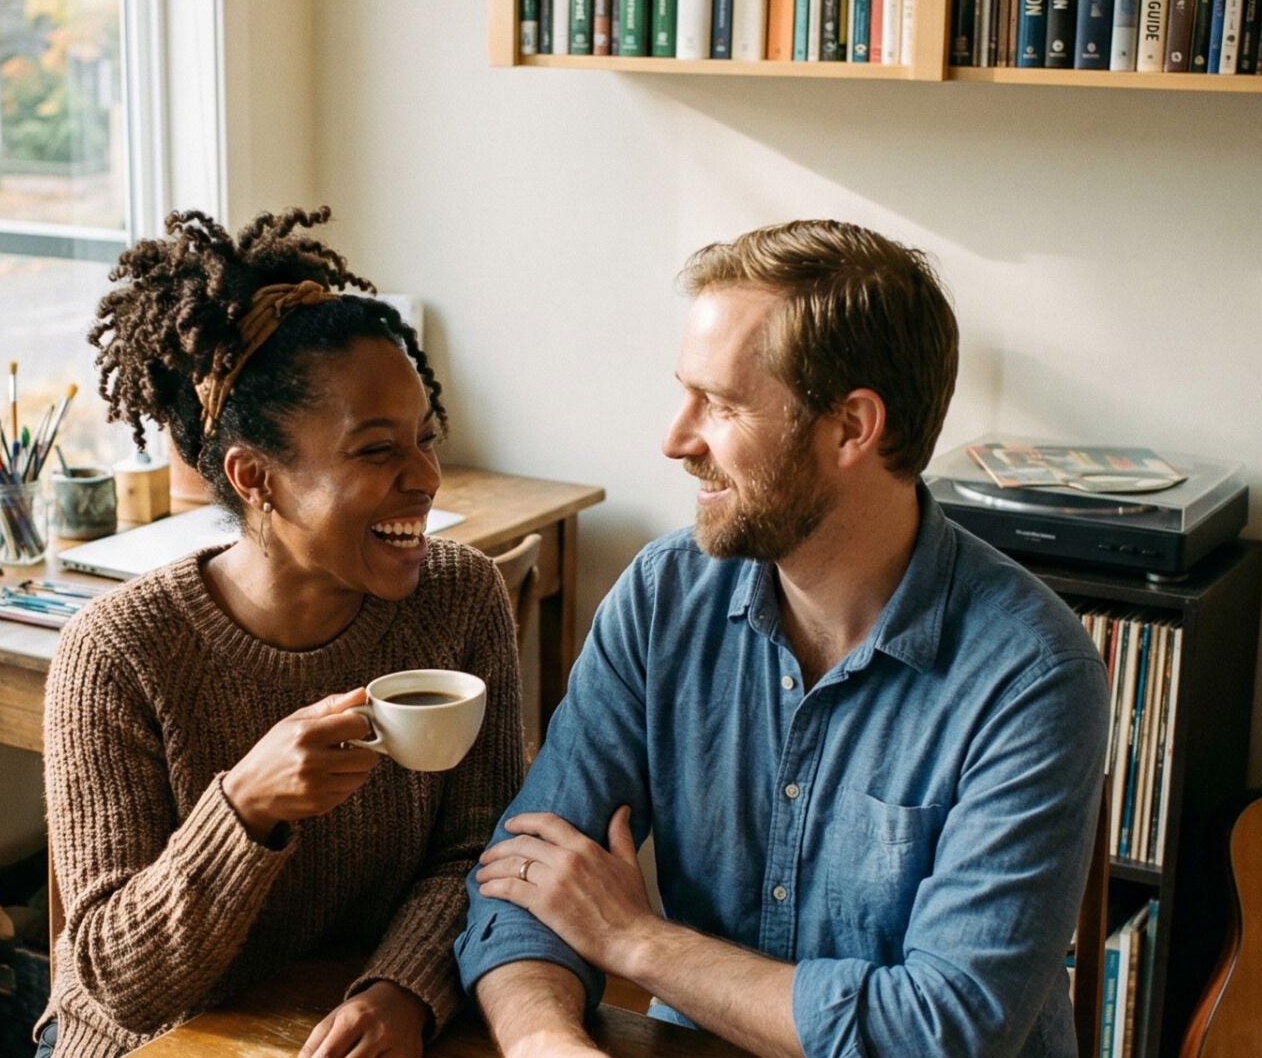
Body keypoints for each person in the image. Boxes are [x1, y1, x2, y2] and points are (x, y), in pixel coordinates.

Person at [455, 219, 1110, 1058]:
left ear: (851, 428)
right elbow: (522, 878)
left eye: (722, 404)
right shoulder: (664, 598)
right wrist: (548, 1041)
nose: (676, 438)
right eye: (687, 393)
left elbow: (942, 1033)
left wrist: (637, 942)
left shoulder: (1032, 677)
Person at [37, 207, 524, 1058]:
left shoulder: (461, 598)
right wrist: (244, 807)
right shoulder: (115, 656)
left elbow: (478, 846)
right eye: (377, 452)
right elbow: (120, 985)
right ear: (254, 477)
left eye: (425, 438)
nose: (425, 478)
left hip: (345, 1022)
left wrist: (403, 988)